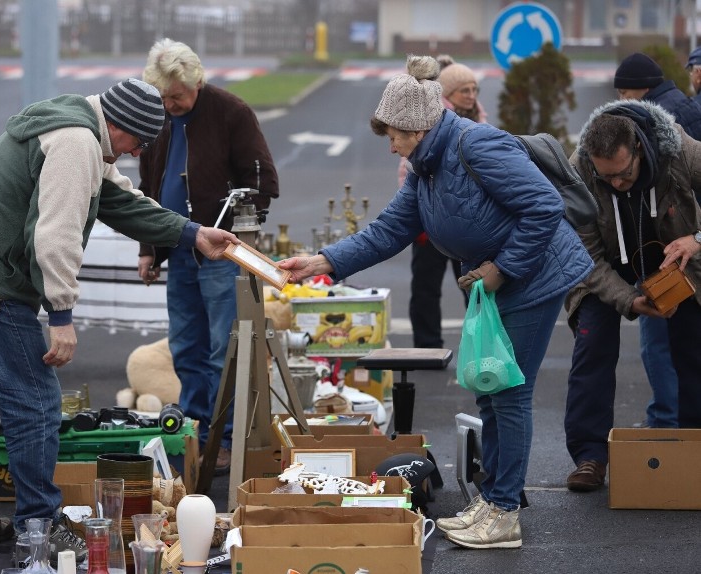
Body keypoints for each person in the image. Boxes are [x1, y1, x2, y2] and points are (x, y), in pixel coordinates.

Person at [279, 55, 593, 549]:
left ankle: (505, 512)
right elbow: (387, 232)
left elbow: (544, 207)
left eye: (395, 136)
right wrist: (322, 262)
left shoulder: (478, 145)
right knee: (490, 390)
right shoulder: (425, 167)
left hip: (534, 278)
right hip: (499, 285)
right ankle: (492, 500)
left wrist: (501, 268)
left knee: (508, 393)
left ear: (419, 126)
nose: (391, 147)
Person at [0, 77, 238, 562]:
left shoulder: (73, 124)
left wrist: (192, 233)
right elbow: (56, 235)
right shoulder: (76, 144)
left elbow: (118, 201)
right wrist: (62, 315)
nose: (134, 153)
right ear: (118, 125)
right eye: (137, 142)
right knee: (36, 405)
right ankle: (40, 529)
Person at [138, 38, 279, 474]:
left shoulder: (231, 113)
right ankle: (196, 436)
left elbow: (262, 179)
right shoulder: (159, 116)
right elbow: (147, 187)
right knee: (186, 348)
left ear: (197, 81)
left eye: (177, 96)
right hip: (180, 250)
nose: (170, 104)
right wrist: (148, 248)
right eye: (163, 97)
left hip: (221, 254)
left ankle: (225, 439)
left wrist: (239, 235)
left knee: (224, 350)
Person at [564, 99, 701, 492]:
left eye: (623, 175)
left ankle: (694, 445)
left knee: (692, 347)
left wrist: (695, 240)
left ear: (640, 149)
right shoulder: (581, 170)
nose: (616, 184)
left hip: (675, 253)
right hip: (605, 260)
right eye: (606, 178)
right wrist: (628, 300)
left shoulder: (681, 151)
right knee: (592, 350)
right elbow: (585, 256)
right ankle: (590, 457)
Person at [613, 52, 701, 429]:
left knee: (665, 346)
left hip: (675, 254)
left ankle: (669, 426)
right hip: (675, 249)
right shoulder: (680, 107)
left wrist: (695, 235)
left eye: (625, 91)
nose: (621, 100)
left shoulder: (672, 125)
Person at [402, 56, 484, 348]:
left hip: (469, 224)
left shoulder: (482, 125)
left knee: (476, 288)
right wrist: (419, 214)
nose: (471, 95)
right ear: (447, 94)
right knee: (426, 287)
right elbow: (408, 174)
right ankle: (427, 347)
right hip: (430, 224)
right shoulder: (429, 125)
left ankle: (481, 346)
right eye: (465, 90)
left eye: (475, 89)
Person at [613, 52, 701, 140]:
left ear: (644, 86)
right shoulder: (683, 100)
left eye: (623, 92)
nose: (621, 99)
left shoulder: (655, 119)